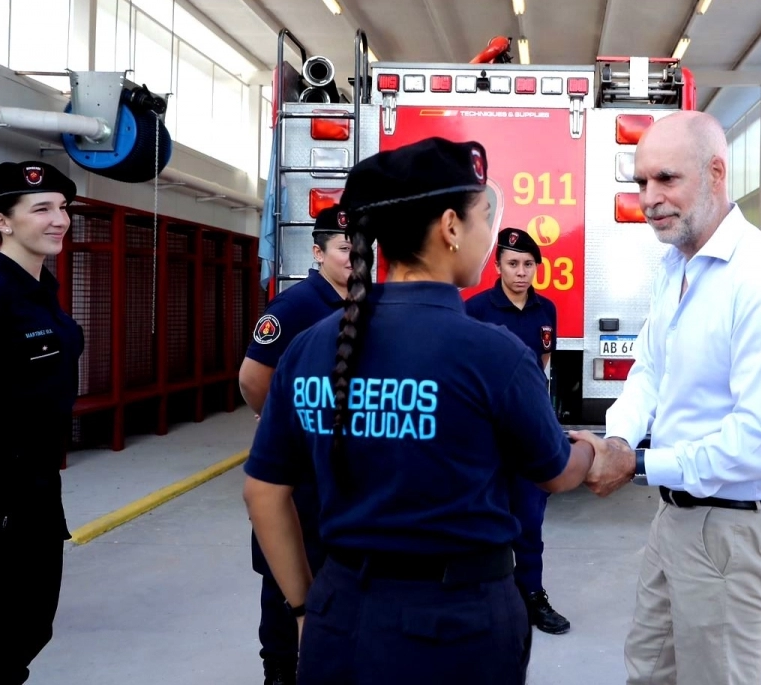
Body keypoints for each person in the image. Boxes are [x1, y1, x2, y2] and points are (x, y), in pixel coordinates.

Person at [242, 137, 596, 685]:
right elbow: (554, 474)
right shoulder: (493, 352)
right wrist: (597, 448)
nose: (489, 235)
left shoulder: (310, 346)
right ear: (451, 227)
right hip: (457, 629)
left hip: (339, 616)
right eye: (484, 217)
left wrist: (306, 610)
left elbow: (263, 491)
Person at [570, 111, 761, 685]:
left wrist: (636, 465)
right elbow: (651, 372)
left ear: (715, 172)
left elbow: (759, 442)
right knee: (649, 672)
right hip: (677, 516)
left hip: (738, 530)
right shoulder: (675, 266)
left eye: (665, 179)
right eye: (639, 183)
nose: (648, 199)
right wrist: (617, 438)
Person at [0, 161, 84, 685]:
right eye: (42, 209)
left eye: (62, 208)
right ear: (2, 222)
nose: (59, 219)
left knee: (29, 627)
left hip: (34, 489)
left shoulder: (39, 293)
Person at [238, 204, 351, 685]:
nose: (356, 258)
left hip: (343, 469)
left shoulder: (366, 305)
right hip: (299, 470)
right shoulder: (296, 307)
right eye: (346, 249)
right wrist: (285, 425)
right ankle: (279, 670)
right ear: (318, 251)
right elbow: (252, 379)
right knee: (286, 575)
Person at [464, 227, 569, 635]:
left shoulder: (547, 311)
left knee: (529, 518)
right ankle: (484, 600)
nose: (521, 272)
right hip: (485, 436)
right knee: (482, 518)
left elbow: (542, 364)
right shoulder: (475, 310)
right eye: (513, 264)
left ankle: (531, 596)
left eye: (528, 264)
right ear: (498, 266)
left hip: (528, 432)